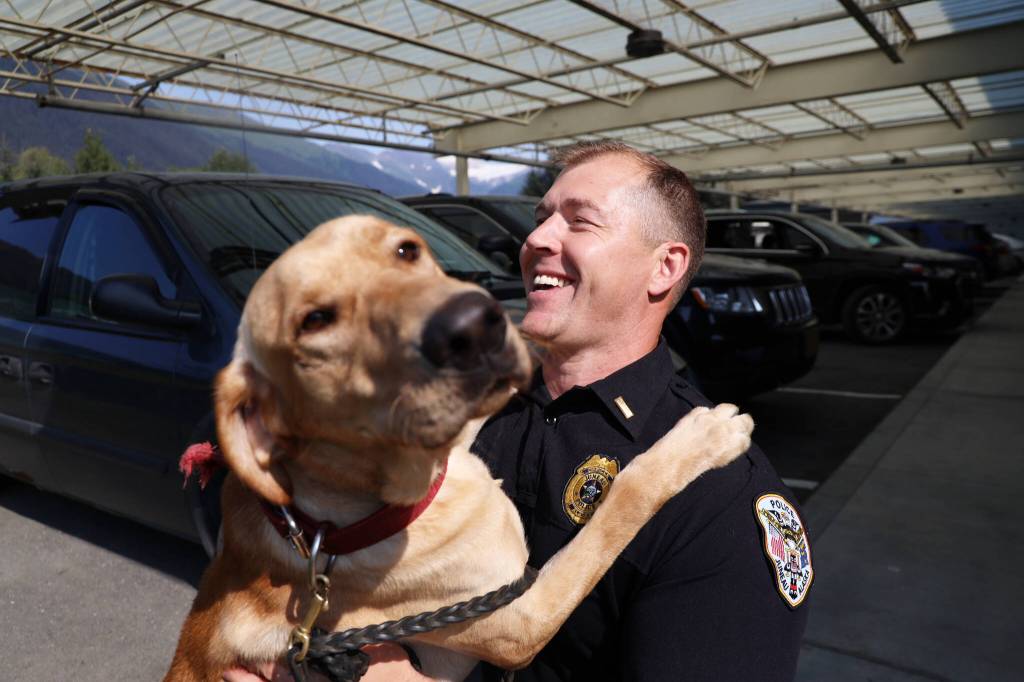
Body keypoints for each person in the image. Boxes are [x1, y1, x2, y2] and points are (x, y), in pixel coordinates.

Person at [227, 140, 810, 681]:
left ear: (665, 267)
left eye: (579, 220)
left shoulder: (720, 492)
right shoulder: (463, 415)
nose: (535, 240)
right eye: (540, 219)